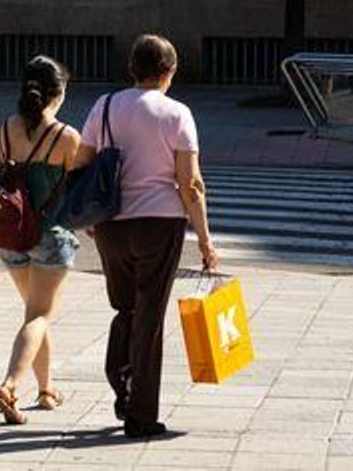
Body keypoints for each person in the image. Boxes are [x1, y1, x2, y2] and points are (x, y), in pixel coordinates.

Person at [77, 33, 218, 440]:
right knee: (150, 317)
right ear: (169, 72)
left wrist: (89, 212)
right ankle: (141, 416)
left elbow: (82, 162)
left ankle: (121, 381)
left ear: (132, 69)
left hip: (110, 223)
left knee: (125, 308)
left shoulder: (103, 106)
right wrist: (205, 240)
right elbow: (190, 183)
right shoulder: (177, 114)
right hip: (159, 222)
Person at [0, 56, 82, 426]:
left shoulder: (1, 132)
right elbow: (80, 196)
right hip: (51, 237)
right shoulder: (67, 138)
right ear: (58, 93)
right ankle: (10, 385)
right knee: (40, 315)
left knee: (34, 314)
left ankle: (46, 391)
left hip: (9, 238)